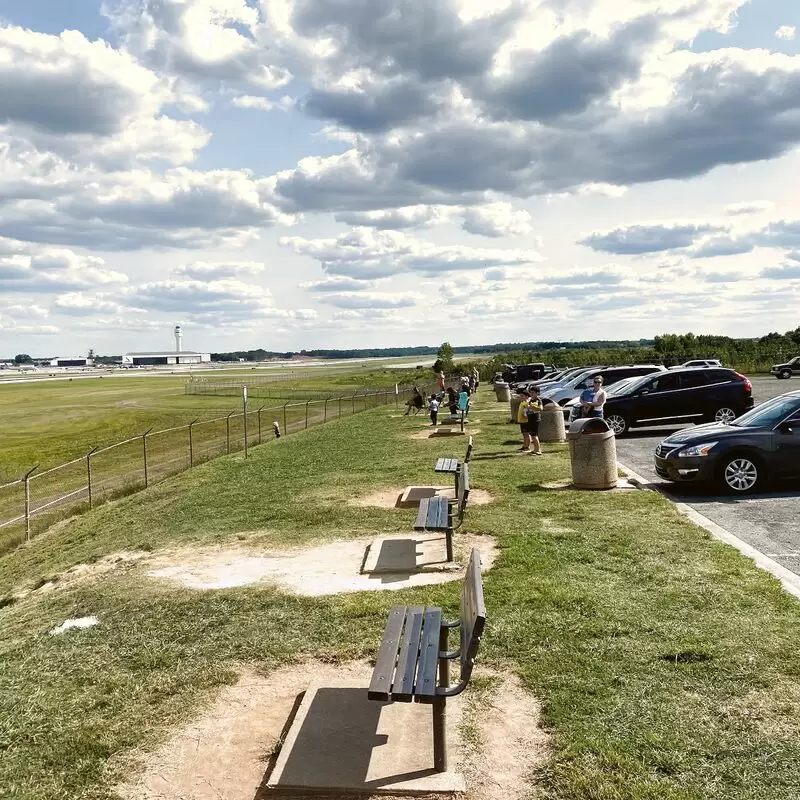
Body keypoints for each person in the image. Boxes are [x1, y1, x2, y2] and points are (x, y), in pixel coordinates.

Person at [526, 386, 543, 455]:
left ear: (537, 393)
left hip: (535, 419)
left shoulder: (538, 400)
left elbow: (541, 408)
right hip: (530, 418)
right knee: (532, 434)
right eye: (530, 392)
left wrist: (533, 407)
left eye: (533, 393)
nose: (531, 394)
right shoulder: (531, 400)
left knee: (534, 435)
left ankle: (538, 450)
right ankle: (535, 449)